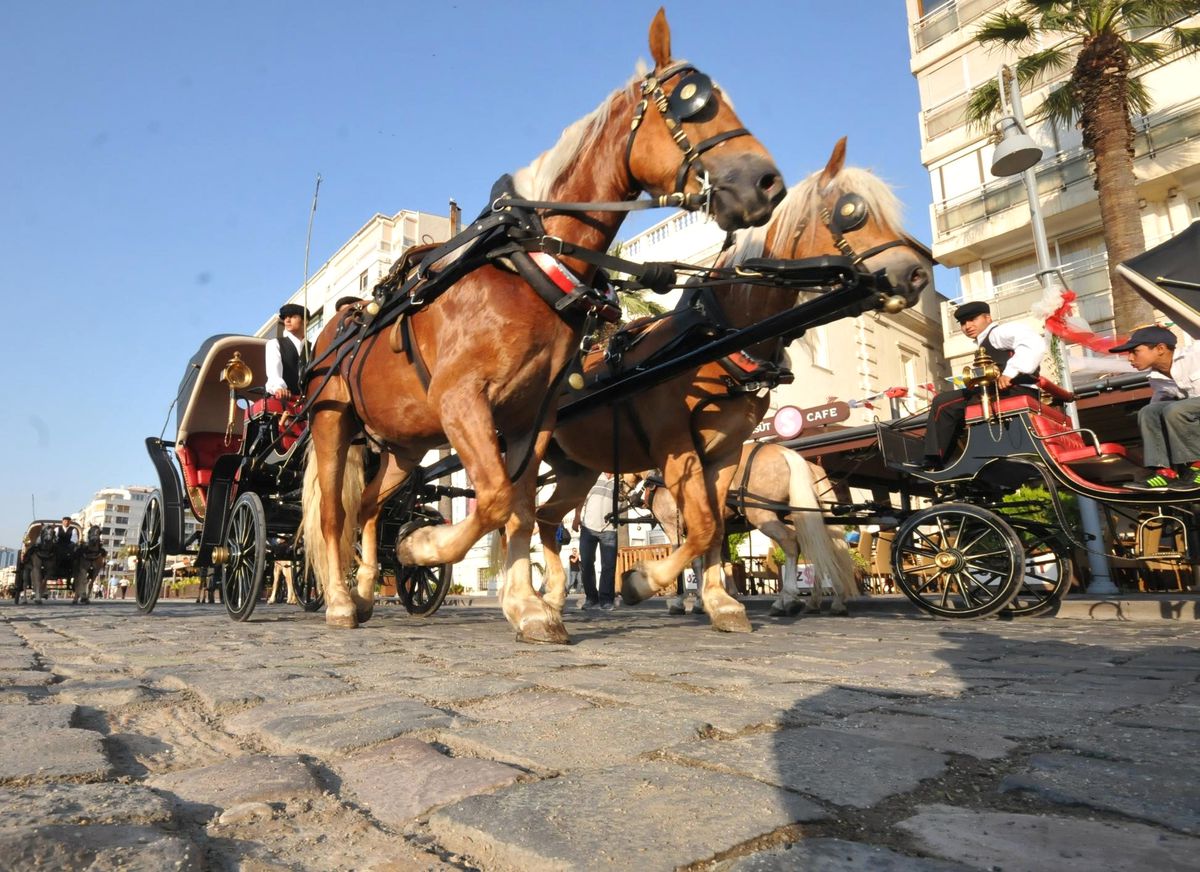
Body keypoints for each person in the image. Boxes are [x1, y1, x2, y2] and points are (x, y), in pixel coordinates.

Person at [919, 301, 1045, 469]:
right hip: (1000, 391)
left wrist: (1011, 372)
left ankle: (935, 460)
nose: (967, 326)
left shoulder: (997, 333)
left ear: (988, 317)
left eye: (972, 319)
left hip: (1013, 390)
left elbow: (1033, 341)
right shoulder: (984, 341)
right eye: (963, 323)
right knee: (954, 406)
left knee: (942, 403)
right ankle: (951, 457)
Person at [1109, 324, 1200, 491]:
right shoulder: (1156, 378)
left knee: (1175, 411)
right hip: (1194, 415)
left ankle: (1198, 467)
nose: (1130, 358)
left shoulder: (1195, 353)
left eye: (1135, 352)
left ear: (1160, 348)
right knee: (1149, 412)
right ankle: (1165, 473)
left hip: (1189, 411)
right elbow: (1156, 413)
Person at [572, 473, 618, 610]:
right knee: (586, 563)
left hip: (609, 529)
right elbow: (581, 498)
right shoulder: (593, 477)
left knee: (608, 566)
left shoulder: (620, 480)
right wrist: (576, 517)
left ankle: (606, 600)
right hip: (588, 528)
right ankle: (591, 598)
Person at [265, 303, 312, 400]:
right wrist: (279, 388)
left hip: (311, 402)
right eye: (285, 317)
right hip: (284, 402)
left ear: (305, 321)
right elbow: (274, 371)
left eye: (293, 317)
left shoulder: (313, 347)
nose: (287, 320)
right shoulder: (275, 343)